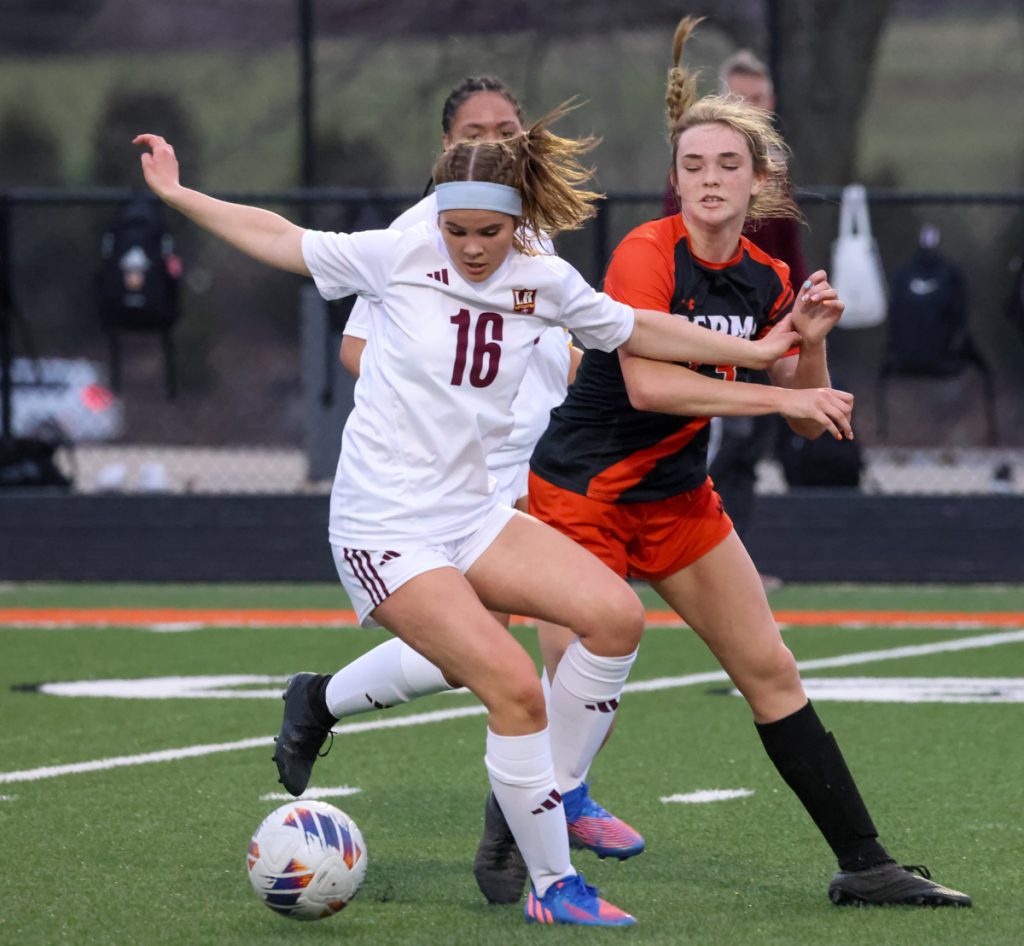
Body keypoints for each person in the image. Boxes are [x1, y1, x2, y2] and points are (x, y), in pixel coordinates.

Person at [133, 105, 808, 927]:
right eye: (457, 231)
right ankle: (553, 885)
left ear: (517, 221)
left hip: (472, 512)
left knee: (616, 616)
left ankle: (559, 792)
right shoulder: (400, 252)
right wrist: (179, 195)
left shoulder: (542, 276)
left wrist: (761, 353)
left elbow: (637, 328)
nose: (471, 247)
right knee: (515, 688)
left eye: (488, 232)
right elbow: (279, 237)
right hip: (384, 526)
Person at [525, 17, 971, 909]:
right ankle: (510, 856)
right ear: (676, 178)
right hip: (584, 493)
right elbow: (650, 385)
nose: (709, 179)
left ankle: (866, 862)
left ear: (759, 179)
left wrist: (812, 341)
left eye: (728, 165)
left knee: (771, 670)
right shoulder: (644, 253)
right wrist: (777, 387)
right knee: (573, 694)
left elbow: (813, 414)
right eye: (693, 165)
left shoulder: (768, 275)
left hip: (677, 499)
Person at [332, 76, 587, 906]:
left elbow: (586, 337)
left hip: (532, 464)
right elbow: (359, 347)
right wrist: (444, 404)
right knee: (494, 665)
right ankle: (529, 839)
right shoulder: (418, 235)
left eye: (507, 128)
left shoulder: (536, 238)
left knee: (584, 634)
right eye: (476, 131)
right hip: (449, 483)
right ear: (447, 147)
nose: (495, 141)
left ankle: (553, 802)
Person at [665, 48, 808, 571]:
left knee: (747, 444)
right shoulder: (696, 172)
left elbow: (789, 250)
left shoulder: (774, 175)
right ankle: (677, 554)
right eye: (738, 98)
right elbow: (673, 240)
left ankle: (732, 562)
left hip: (758, 324)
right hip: (704, 324)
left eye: (756, 98)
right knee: (697, 439)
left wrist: (800, 314)